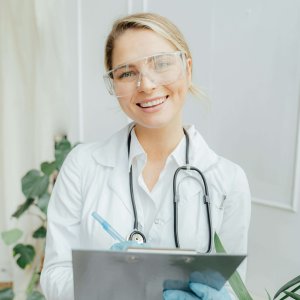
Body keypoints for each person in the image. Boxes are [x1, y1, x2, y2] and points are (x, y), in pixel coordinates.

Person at [40, 12, 251, 300]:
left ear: (187, 68)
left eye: (161, 63)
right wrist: (113, 282)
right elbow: (54, 275)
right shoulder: (82, 165)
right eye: (127, 72)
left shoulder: (229, 180)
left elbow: (231, 289)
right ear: (115, 85)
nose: (147, 85)